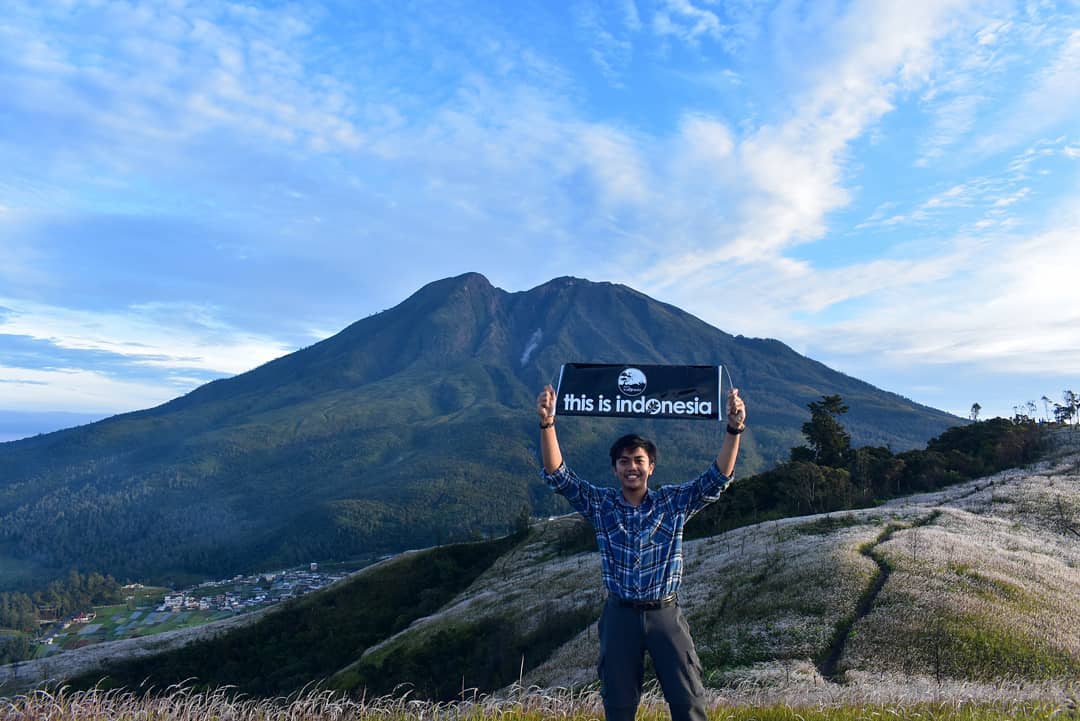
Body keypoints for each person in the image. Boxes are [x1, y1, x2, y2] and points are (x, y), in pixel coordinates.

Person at [535, 383, 746, 721]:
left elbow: (716, 479)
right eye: (624, 461)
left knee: (687, 700)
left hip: (666, 614)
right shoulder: (601, 504)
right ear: (615, 468)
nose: (631, 467)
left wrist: (734, 428)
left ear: (651, 467)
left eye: (638, 460)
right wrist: (547, 423)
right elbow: (559, 477)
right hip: (619, 616)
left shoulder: (672, 503)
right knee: (618, 706)